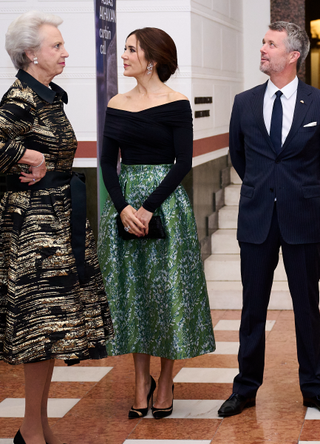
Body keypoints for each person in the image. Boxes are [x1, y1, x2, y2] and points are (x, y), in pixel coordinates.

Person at [0, 11, 114, 444]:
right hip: (34, 232)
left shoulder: (45, 95)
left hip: (57, 222)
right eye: (57, 46)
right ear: (31, 54)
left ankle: (37, 426)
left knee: (48, 333)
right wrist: (27, 157)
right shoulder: (20, 98)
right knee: (39, 331)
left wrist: (31, 155)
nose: (65, 52)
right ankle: (31, 430)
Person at [98, 27, 215, 419]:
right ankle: (138, 381)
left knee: (167, 292)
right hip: (125, 206)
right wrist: (121, 208)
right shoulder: (116, 102)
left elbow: (183, 162)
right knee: (134, 295)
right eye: (125, 49)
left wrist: (148, 208)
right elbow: (106, 163)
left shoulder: (176, 102)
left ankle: (165, 379)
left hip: (164, 205)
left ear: (152, 59)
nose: (125, 55)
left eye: (132, 50)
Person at [218, 21, 320, 417]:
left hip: (304, 219)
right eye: (263, 42)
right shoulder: (244, 102)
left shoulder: (316, 102)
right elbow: (239, 156)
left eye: (271, 44)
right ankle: (245, 389)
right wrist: (264, 187)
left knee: (308, 307)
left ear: (292, 55)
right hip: (258, 217)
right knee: (252, 307)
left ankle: (313, 386)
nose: (262, 49)